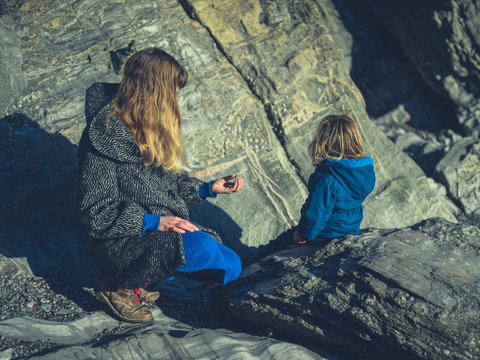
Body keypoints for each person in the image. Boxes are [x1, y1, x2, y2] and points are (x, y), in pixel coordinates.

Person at [78, 48, 243, 324]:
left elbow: (171, 185)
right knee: (202, 247)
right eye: (172, 92)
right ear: (154, 92)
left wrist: (208, 188)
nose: (175, 100)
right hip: (121, 243)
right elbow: (94, 214)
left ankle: (149, 280)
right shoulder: (102, 139)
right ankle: (116, 285)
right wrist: (156, 222)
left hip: (152, 237)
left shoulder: (148, 129)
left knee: (232, 263)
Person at [293, 114, 375, 245]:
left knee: (275, 246)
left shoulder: (327, 178)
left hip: (325, 234)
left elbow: (316, 213)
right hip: (351, 230)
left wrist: (303, 234)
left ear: (324, 142)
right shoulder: (363, 172)